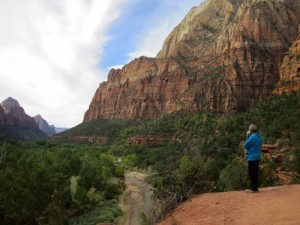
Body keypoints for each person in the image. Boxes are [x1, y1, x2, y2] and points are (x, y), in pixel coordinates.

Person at [243, 124, 263, 193]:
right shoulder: (259, 136)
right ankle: (255, 188)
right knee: (255, 173)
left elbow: (245, 145)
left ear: (251, 130)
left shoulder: (252, 137)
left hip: (252, 158)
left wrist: (247, 136)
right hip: (257, 157)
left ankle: (254, 189)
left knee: (251, 173)